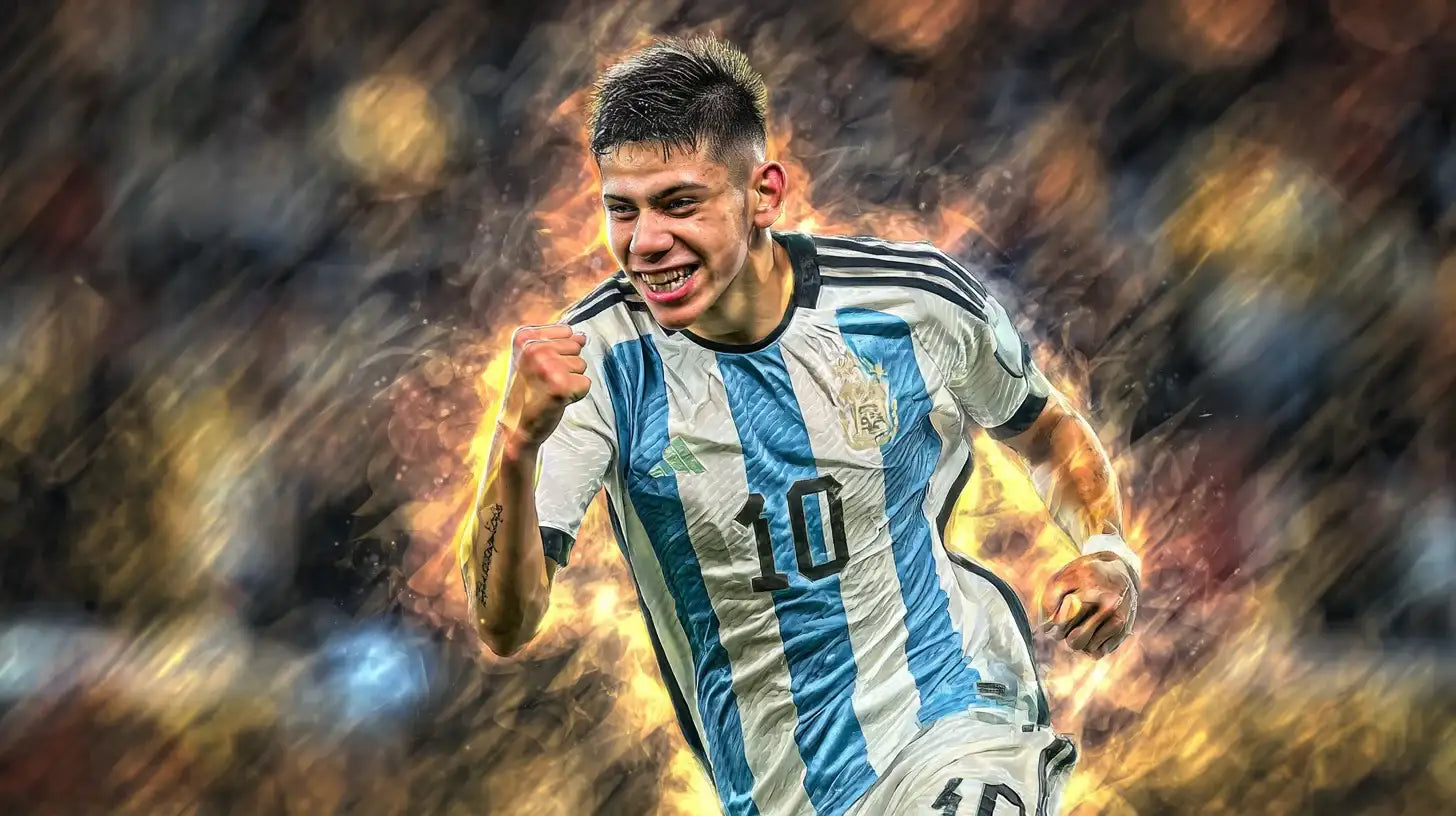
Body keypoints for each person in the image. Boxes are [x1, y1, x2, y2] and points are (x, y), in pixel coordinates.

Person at [459, 36, 1140, 816]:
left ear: (764, 193)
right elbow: (505, 623)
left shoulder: (908, 303)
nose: (646, 242)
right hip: (779, 792)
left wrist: (1107, 550)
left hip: (955, 717)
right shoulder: (592, 367)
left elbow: (1044, 427)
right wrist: (514, 445)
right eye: (623, 209)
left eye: (680, 203)